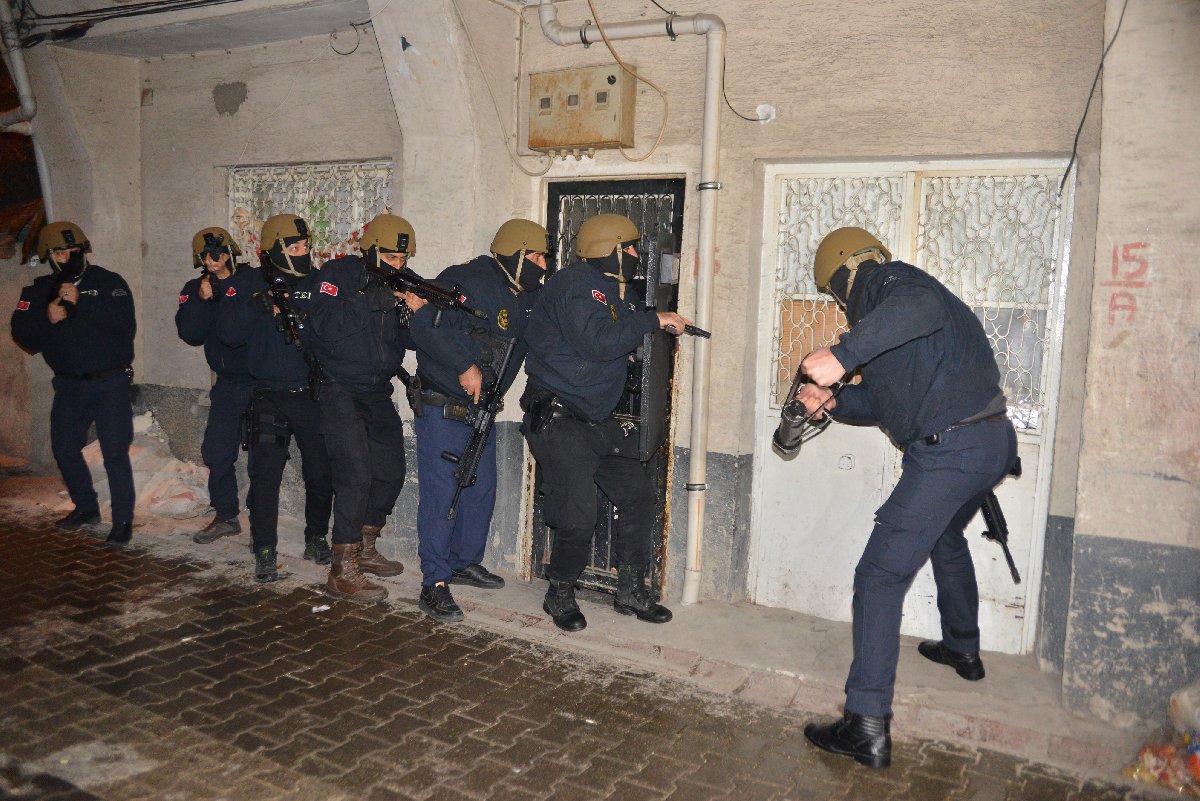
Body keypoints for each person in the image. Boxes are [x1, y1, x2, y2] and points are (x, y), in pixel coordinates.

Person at [796, 227, 1018, 769]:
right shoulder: (892, 329)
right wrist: (834, 403)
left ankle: (866, 725)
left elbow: (920, 306)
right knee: (944, 536)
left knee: (879, 576)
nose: (840, 303)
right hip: (988, 442)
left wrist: (841, 354)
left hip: (952, 449)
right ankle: (962, 647)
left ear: (845, 274)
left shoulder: (888, 282)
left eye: (835, 293)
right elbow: (885, 404)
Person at [520, 213, 690, 632]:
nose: (635, 255)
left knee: (637, 494)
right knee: (578, 514)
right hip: (560, 416)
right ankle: (560, 591)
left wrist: (635, 340)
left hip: (594, 417)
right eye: (629, 248)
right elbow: (597, 342)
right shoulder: (577, 285)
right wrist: (653, 319)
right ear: (609, 249)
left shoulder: (610, 291)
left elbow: (607, 340)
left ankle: (630, 589)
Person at [407, 218, 549, 622]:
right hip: (443, 408)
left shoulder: (527, 296)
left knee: (480, 489)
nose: (543, 265)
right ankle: (433, 582)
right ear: (516, 255)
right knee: (441, 497)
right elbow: (425, 323)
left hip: (481, 411)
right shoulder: (467, 279)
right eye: (536, 257)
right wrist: (464, 365)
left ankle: (462, 562)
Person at [306, 213, 424, 603]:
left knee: (390, 470)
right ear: (371, 251)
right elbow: (323, 324)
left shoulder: (400, 281)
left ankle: (365, 546)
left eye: (403, 259)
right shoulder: (337, 275)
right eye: (390, 258)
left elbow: (405, 339)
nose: (398, 266)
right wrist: (368, 302)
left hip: (376, 390)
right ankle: (341, 570)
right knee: (354, 474)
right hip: (338, 388)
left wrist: (420, 314)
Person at [217, 214, 334, 583]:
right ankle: (264, 549)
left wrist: (305, 316)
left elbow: (332, 332)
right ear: (275, 250)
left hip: (310, 395)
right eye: (295, 247)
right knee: (266, 476)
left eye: (306, 246)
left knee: (321, 473)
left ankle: (316, 538)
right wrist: (257, 306)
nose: (303, 252)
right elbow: (228, 333)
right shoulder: (250, 283)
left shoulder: (317, 282)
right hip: (267, 394)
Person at [10, 222, 137, 546]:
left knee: (114, 452)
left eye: (73, 251)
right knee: (64, 448)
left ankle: (122, 521)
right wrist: (47, 319)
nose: (67, 257)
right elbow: (23, 335)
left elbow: (125, 326)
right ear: (49, 256)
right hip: (69, 387)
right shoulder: (38, 291)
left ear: (83, 251)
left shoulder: (109, 283)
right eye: (59, 252)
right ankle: (86, 508)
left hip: (110, 383)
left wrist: (83, 304)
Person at [175, 227, 252, 544]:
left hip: (261, 380)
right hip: (228, 384)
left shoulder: (250, 280)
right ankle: (226, 515)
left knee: (264, 458)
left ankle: (263, 523)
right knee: (216, 451)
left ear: (231, 252)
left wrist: (229, 287)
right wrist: (204, 300)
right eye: (206, 255)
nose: (213, 258)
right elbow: (190, 333)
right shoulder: (196, 289)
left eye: (218, 252)